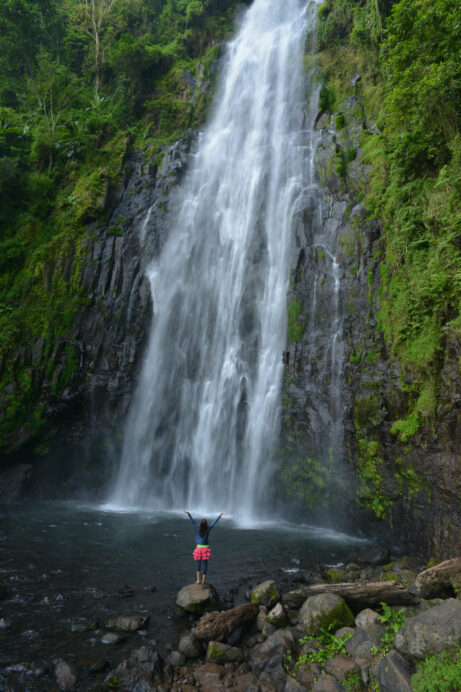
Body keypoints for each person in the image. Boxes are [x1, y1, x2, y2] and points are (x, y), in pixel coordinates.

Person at [183, 510, 224, 585]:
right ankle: (203, 580)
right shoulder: (208, 529)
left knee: (198, 564)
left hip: (198, 549)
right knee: (205, 564)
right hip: (205, 549)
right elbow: (214, 523)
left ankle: (198, 580)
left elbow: (193, 521)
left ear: (201, 524)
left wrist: (189, 514)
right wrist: (220, 516)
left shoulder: (198, 528)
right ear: (206, 525)